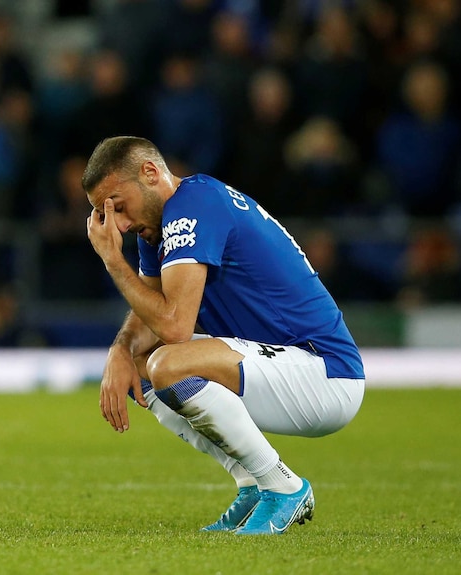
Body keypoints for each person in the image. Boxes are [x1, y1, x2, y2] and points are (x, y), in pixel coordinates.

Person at [83, 136, 365, 535]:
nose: (121, 225)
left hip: (325, 372)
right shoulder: (164, 225)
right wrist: (120, 351)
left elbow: (176, 326)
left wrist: (113, 260)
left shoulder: (194, 207)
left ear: (150, 172)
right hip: (280, 362)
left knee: (168, 363)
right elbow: (147, 316)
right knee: (144, 368)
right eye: (106, 214)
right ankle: (253, 483)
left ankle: (283, 486)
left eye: (119, 205)